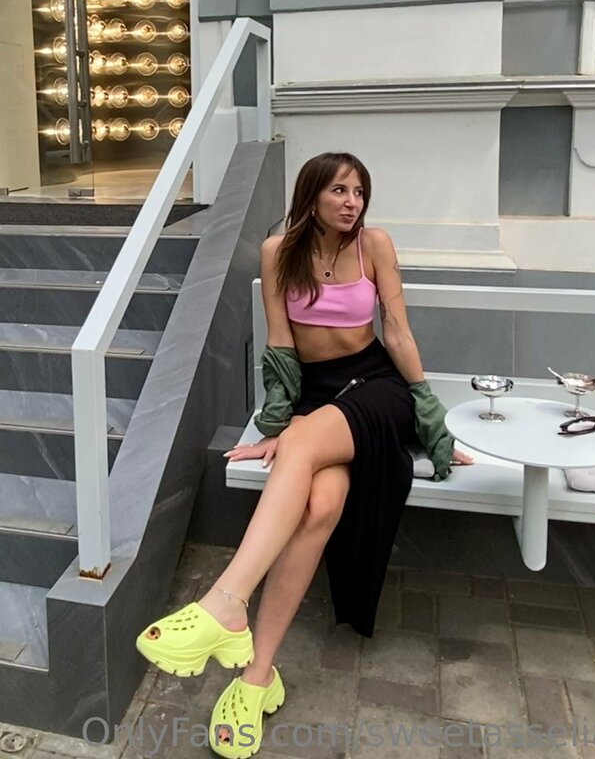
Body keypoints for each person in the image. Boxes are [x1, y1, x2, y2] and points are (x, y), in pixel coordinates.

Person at [136, 152, 473, 758]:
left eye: (360, 192)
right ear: (311, 195)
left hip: (376, 389)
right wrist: (276, 421)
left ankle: (226, 600)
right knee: (320, 506)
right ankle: (258, 675)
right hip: (317, 398)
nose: (352, 202)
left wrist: (429, 415)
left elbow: (397, 332)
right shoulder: (277, 253)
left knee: (302, 445)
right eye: (340, 190)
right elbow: (281, 345)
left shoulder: (375, 245)